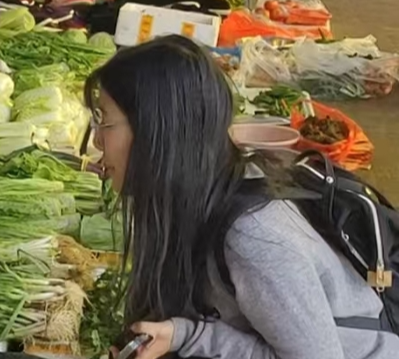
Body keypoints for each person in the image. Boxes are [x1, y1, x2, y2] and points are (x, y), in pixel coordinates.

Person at [84, 36, 399, 359]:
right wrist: (178, 335)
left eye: (105, 122)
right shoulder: (187, 201)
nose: (96, 140)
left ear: (156, 132)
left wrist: (191, 336)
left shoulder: (254, 237)